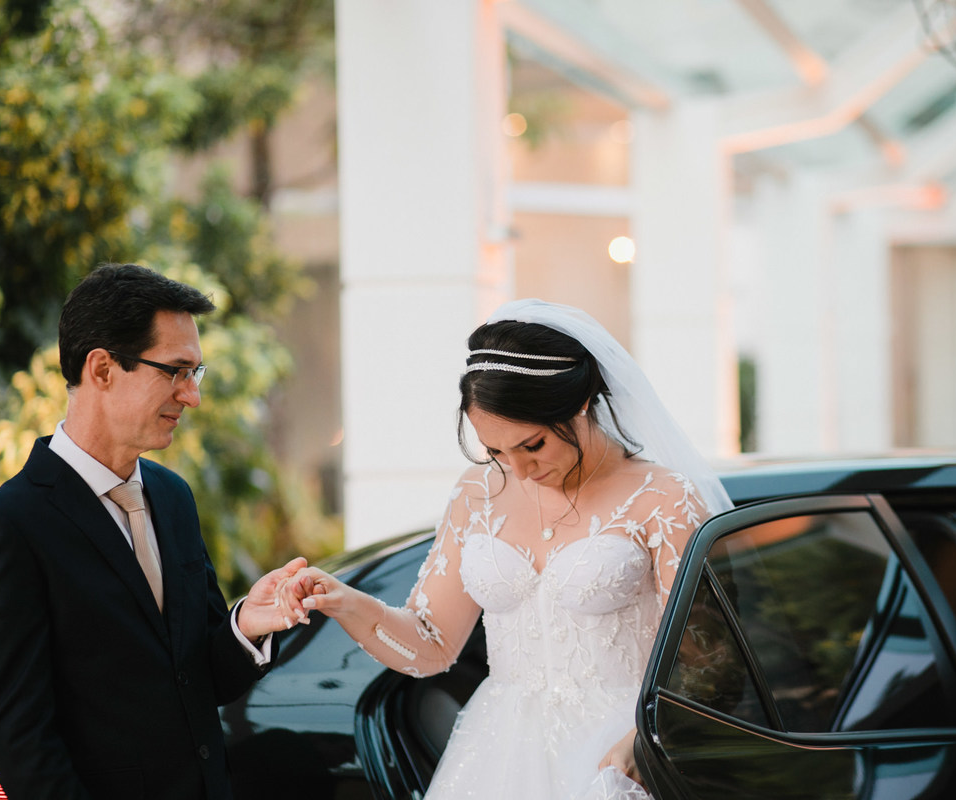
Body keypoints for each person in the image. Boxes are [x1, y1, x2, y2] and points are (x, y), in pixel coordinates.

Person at [278, 299, 731, 799]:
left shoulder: (663, 499)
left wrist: (645, 737)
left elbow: (708, 659)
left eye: (532, 445)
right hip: (498, 755)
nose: (517, 470)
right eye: (495, 451)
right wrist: (348, 602)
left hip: (622, 756)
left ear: (580, 404)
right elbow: (430, 647)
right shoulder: (476, 496)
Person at [0, 263, 308, 800]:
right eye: (176, 371)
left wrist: (245, 627)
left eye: (197, 373)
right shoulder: (2, 528)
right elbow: (24, 743)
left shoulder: (173, 498)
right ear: (101, 369)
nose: (192, 395)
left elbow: (198, 682)